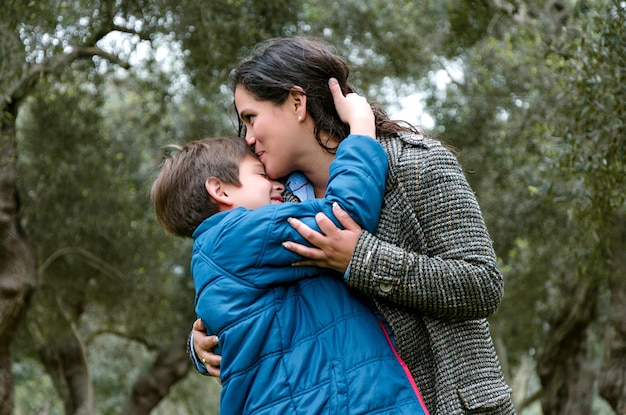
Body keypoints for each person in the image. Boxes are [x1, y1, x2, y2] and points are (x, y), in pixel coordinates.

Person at [191, 36, 516, 414]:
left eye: (251, 117)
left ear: (296, 103)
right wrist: (203, 344)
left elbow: (482, 284)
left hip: (447, 403)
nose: (246, 138)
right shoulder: (276, 203)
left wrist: (359, 258)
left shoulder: (418, 164)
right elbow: (253, 302)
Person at [152, 84, 430, 414]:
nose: (276, 184)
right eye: (259, 174)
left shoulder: (217, 249)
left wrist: (200, 348)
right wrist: (361, 131)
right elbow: (343, 217)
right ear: (219, 190)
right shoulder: (240, 234)